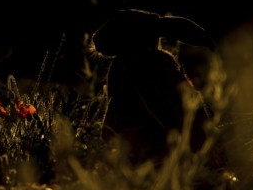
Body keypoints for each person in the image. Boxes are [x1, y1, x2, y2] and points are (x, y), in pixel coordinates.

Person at [89, 9, 216, 166]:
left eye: (121, 27)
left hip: (156, 157)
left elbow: (165, 111)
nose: (96, 36)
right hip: (146, 154)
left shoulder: (143, 65)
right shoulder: (134, 63)